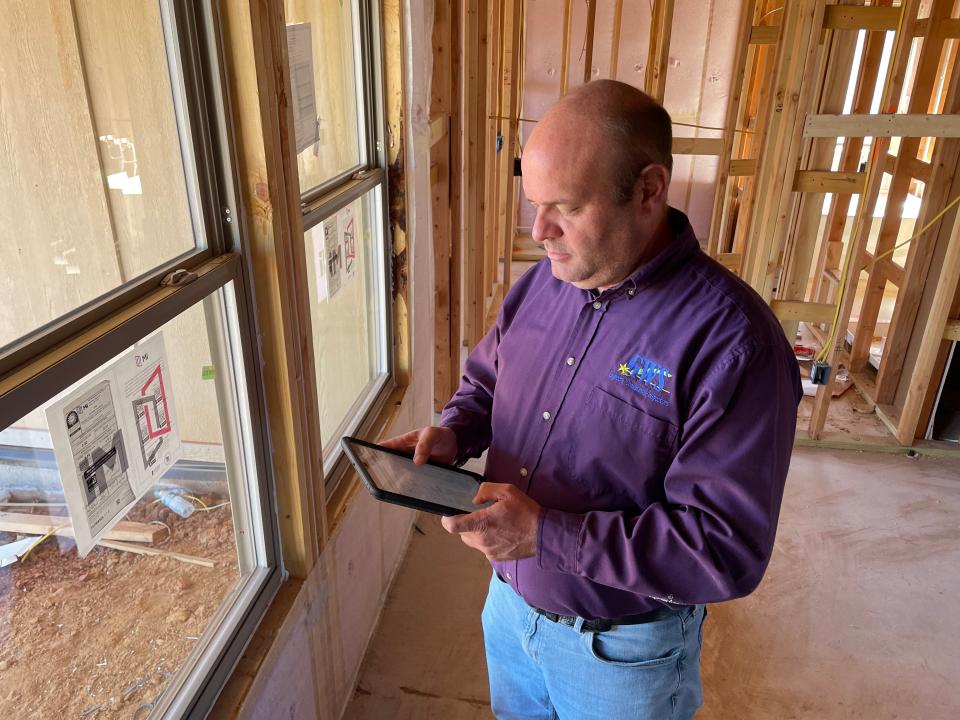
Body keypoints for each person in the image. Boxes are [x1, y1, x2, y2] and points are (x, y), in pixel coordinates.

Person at [384, 79, 802, 719]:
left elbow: (724, 549)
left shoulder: (734, 345)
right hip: (509, 612)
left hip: (621, 656)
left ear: (650, 191)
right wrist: (454, 433)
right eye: (533, 203)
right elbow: (487, 383)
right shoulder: (542, 287)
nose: (538, 230)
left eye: (566, 207)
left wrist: (546, 535)